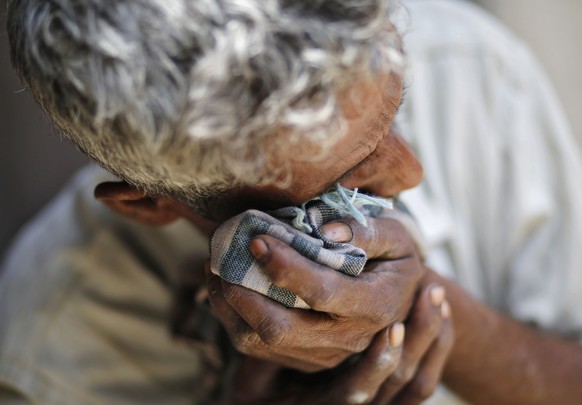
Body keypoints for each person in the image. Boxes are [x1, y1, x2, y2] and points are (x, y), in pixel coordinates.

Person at [2, 0, 582, 403]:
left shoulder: (472, 72)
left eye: (396, 107)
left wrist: (423, 308)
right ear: (151, 206)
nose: (411, 172)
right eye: (347, 175)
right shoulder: (52, 349)